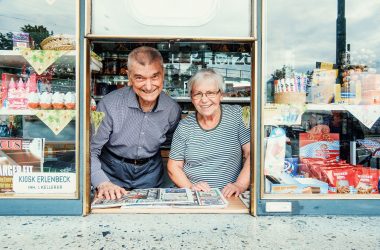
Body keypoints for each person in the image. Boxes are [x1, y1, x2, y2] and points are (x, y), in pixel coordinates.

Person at [91, 46, 181, 200]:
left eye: (154, 77)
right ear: (129, 77)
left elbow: (174, 144)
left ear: (163, 75)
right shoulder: (108, 105)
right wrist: (102, 182)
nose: (148, 86)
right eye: (140, 78)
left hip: (151, 174)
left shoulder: (172, 109)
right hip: (111, 172)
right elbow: (91, 150)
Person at [167, 69, 251, 198]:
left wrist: (240, 185)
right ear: (191, 98)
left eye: (210, 93)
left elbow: (251, 154)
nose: (204, 100)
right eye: (198, 94)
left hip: (230, 195)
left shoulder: (237, 116)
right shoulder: (185, 126)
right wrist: (191, 187)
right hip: (195, 195)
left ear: (221, 95)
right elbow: (174, 166)